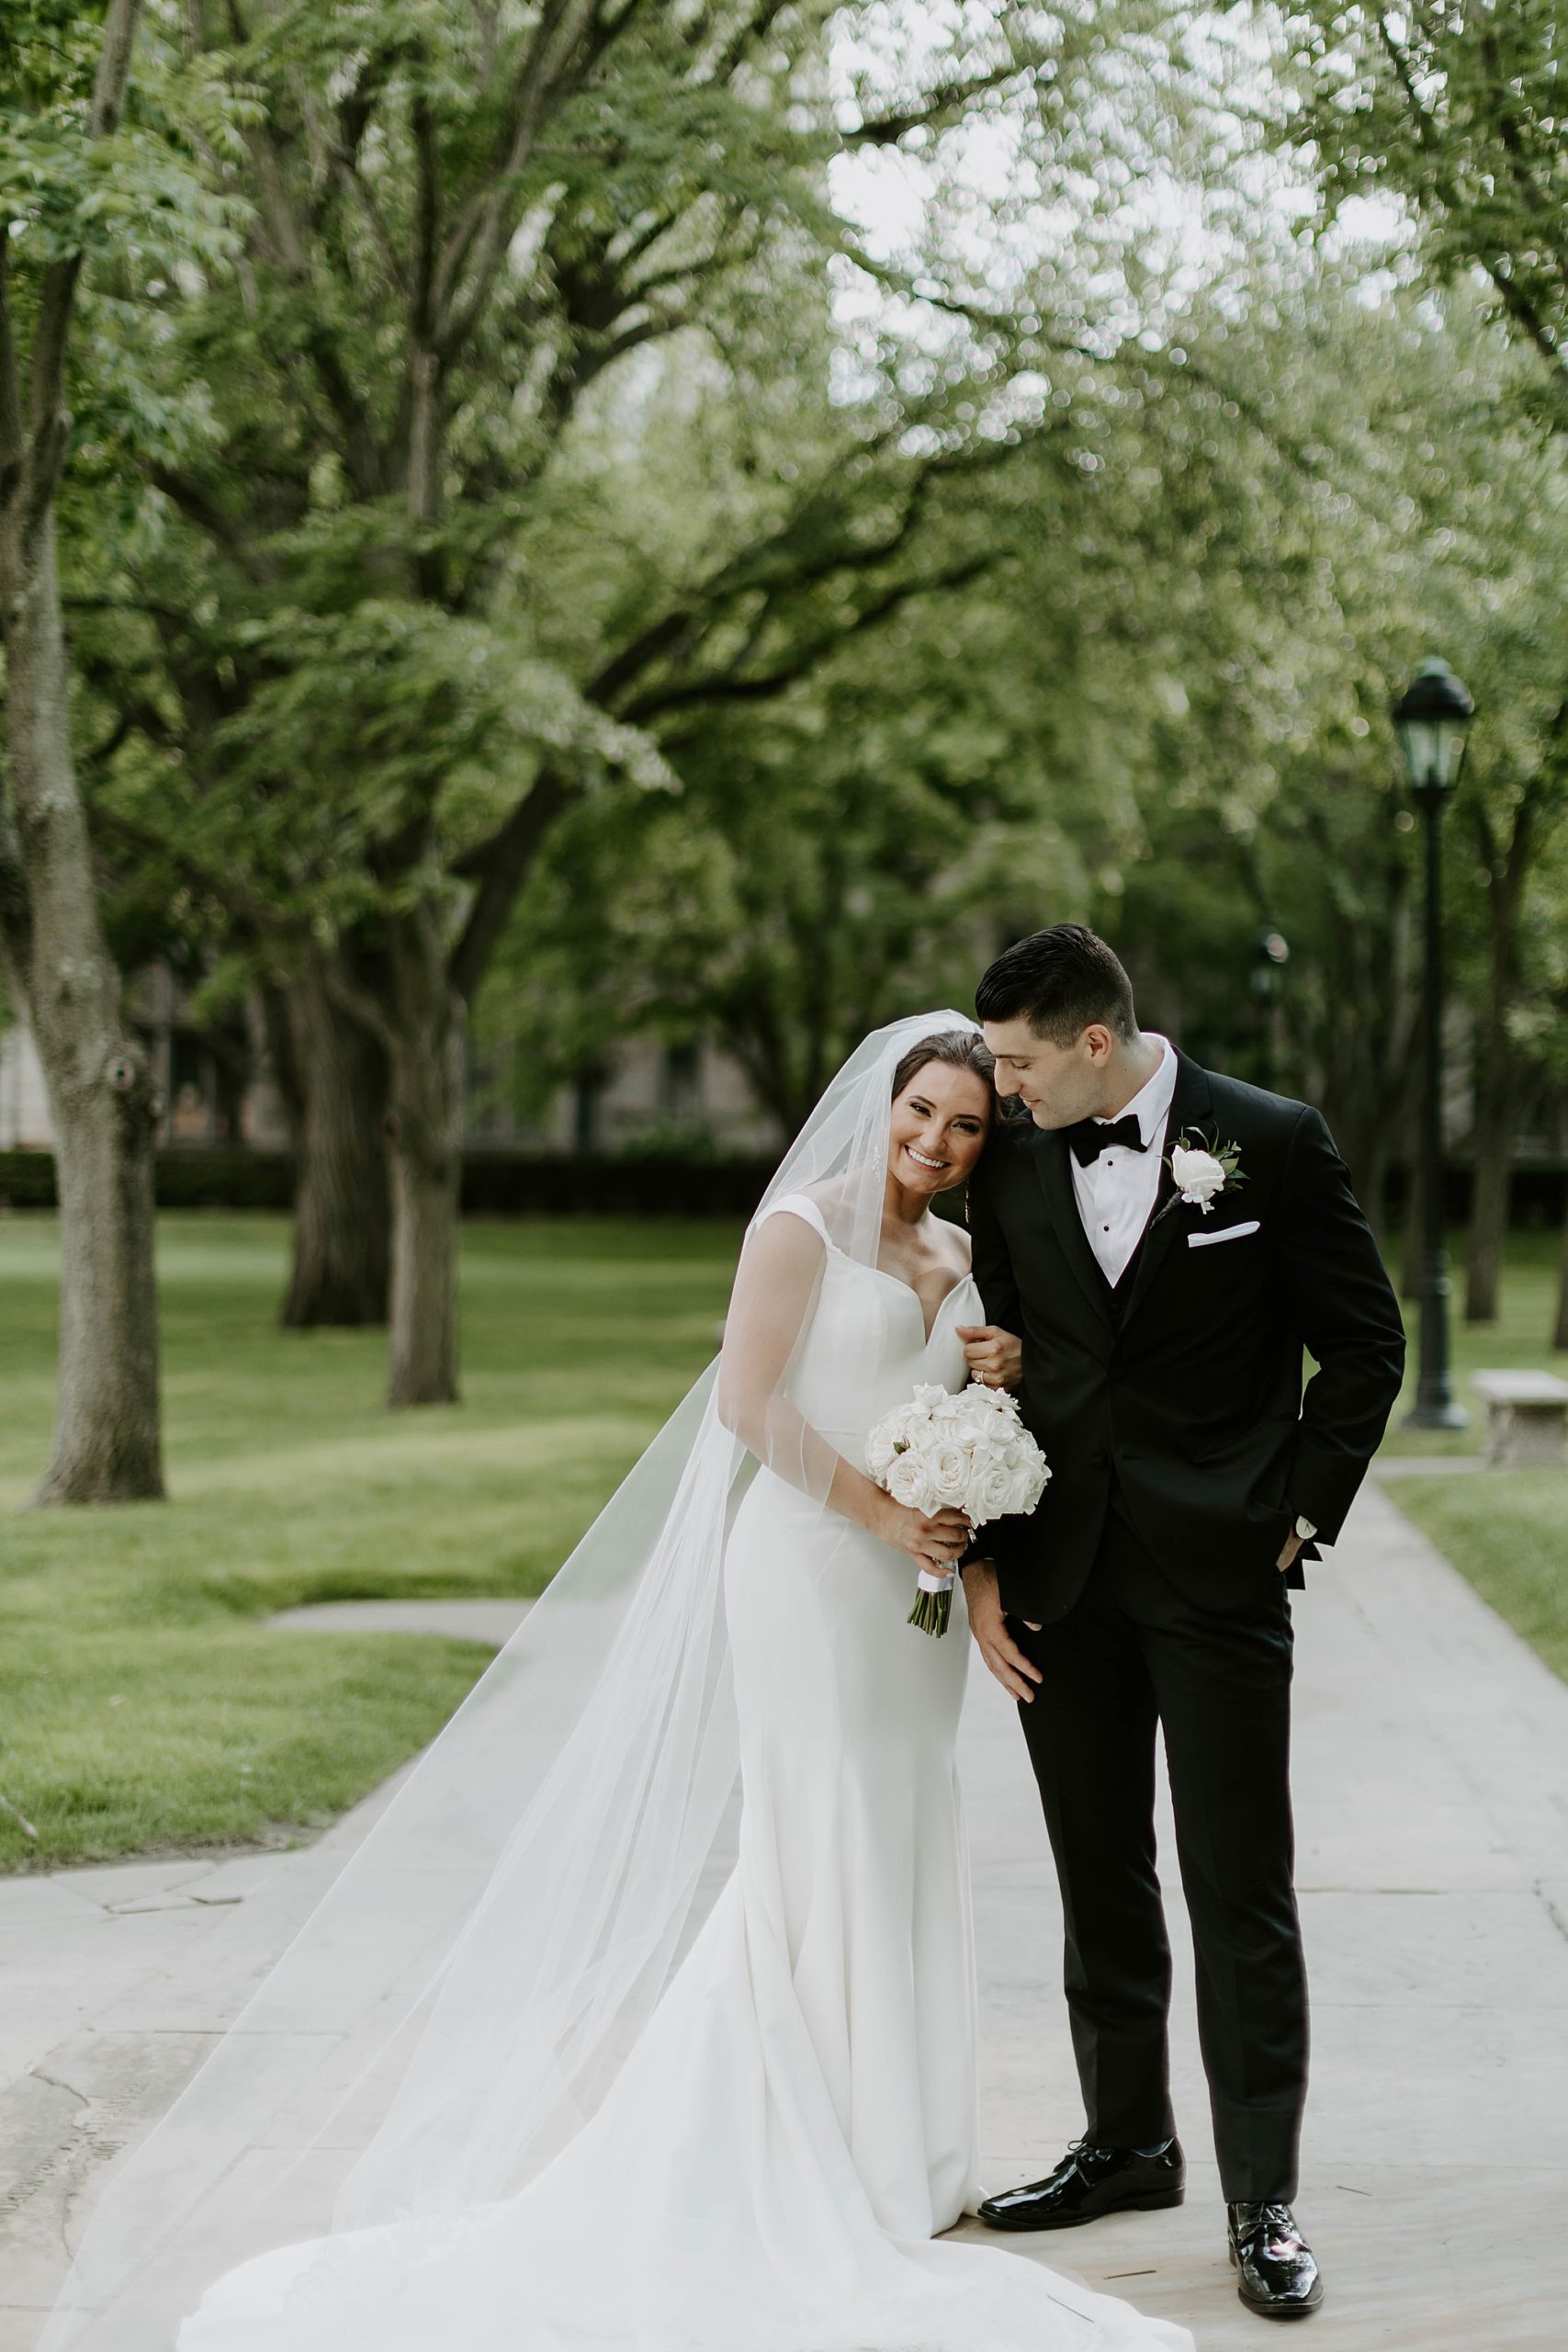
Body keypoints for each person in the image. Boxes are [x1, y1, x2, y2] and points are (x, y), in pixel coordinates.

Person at [43, 1013, 1190, 2352]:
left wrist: (996, 1374)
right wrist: (888, 1519)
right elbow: (751, 1407)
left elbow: (976, 1413)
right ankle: (800, 2141)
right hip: (816, 1572)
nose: (936, 1142)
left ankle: (909, 2150)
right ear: (881, 1102)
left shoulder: (961, 1252)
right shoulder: (800, 1233)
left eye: (967, 1127)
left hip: (911, 1603)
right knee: (810, 1837)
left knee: (902, 1826)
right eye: (920, 1112)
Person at [960, 925, 1406, 2322]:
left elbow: (1367, 1342)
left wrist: (1302, 1511)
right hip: (1062, 1575)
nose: (1004, 1088)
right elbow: (1016, 1339)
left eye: (1021, 1062)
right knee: (1100, 1877)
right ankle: (1126, 2142)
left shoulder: (1268, 1142)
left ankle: (1261, 2199)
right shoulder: (1019, 1154)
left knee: (1239, 1889)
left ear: (1096, 1042)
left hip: (1219, 1575)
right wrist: (983, 1538)